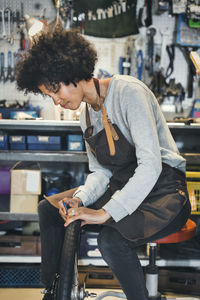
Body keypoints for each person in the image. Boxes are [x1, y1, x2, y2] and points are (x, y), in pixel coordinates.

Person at [15, 25, 191, 300]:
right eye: (50, 97)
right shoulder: (86, 117)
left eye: (55, 90)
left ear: (71, 73)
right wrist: (82, 200)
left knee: (110, 240)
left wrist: (104, 213)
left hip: (165, 192)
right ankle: (55, 292)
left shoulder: (128, 92)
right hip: (124, 186)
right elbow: (101, 172)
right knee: (50, 209)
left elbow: (151, 166)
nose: (57, 101)